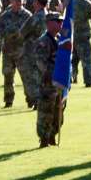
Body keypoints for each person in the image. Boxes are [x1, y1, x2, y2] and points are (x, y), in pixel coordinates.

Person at [34, 12, 68, 148]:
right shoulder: (44, 41)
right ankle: (44, 139)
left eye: (61, 21)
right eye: (57, 21)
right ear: (49, 23)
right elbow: (41, 63)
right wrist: (55, 74)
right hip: (48, 84)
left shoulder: (62, 39)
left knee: (58, 112)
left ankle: (53, 136)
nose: (60, 24)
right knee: (45, 113)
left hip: (60, 84)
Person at [68, 0, 91, 86]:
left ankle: (72, 78)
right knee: (87, 59)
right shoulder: (86, 3)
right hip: (83, 34)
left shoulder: (69, 2)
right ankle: (88, 81)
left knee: (73, 59)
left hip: (71, 34)